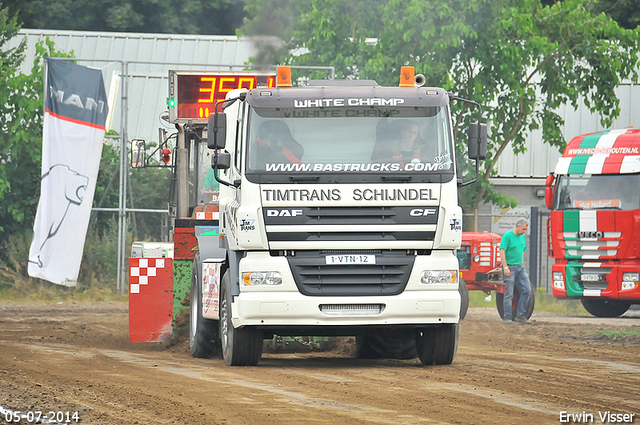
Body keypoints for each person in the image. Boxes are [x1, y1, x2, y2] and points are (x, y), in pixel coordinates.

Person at [499, 218, 533, 324]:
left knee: (527, 290)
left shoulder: (522, 237)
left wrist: (522, 264)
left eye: (525, 230)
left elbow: (522, 251)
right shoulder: (507, 236)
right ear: (517, 226)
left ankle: (520, 314)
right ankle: (507, 316)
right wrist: (505, 267)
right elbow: (502, 251)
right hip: (510, 267)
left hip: (519, 268)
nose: (524, 232)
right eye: (523, 229)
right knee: (509, 293)